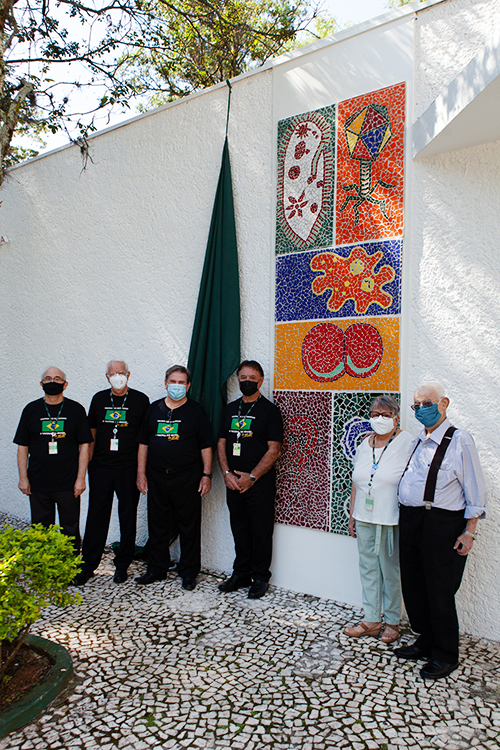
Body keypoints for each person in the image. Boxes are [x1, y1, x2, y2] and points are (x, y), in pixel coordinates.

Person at [395, 381, 487, 680]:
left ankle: (446, 653)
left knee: (439, 589)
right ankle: (426, 640)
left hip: (440, 523)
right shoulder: (418, 441)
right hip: (411, 520)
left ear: (443, 404)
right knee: (414, 584)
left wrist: (469, 531)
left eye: (427, 403)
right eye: (416, 405)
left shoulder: (460, 440)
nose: (421, 409)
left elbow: (475, 489)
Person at [135, 365, 213, 591]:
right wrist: (141, 473)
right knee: (157, 524)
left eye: (181, 383)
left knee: (189, 527)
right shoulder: (153, 410)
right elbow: (143, 443)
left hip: (188, 478)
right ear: (165, 382)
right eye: (173, 381)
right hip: (157, 478)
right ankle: (157, 568)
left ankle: (188, 573)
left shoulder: (196, 411)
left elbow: (206, 445)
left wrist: (206, 474)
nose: (176, 386)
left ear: (188, 386)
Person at [344, 395, 413, 644]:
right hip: (364, 516)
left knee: (390, 571)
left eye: (385, 414)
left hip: (390, 518)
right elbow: (356, 481)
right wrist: (353, 514)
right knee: (368, 568)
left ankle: (392, 622)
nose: (379, 419)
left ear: (396, 416)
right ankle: (371, 620)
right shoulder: (365, 443)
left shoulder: (407, 442)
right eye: (375, 414)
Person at [73, 360, 150, 586]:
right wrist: (85, 468)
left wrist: (140, 471)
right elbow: (92, 435)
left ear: (128, 374)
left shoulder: (140, 400)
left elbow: (144, 439)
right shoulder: (98, 399)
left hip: (128, 468)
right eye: (113, 373)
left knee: (127, 515)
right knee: (97, 515)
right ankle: (88, 565)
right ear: (107, 377)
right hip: (101, 468)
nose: (118, 376)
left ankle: (123, 564)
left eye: (121, 372)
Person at [218, 360, 283, 599]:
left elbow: (274, 450)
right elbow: (222, 442)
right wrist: (226, 474)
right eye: (243, 377)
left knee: (261, 532)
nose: (247, 381)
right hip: (232, 482)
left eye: (252, 378)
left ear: (261, 380)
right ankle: (241, 574)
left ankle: (261, 577)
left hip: (259, 484)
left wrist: (252, 477)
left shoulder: (270, 411)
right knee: (240, 530)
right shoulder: (230, 409)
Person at [14, 366, 93, 552]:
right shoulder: (31, 410)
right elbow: (22, 446)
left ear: (65, 385)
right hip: (38, 483)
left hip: (68, 483)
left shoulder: (76, 409)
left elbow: (85, 446)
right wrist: (23, 478)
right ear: (41, 384)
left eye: (57, 379)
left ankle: (70, 568)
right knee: (40, 530)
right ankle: (43, 570)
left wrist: (81, 478)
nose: (52, 382)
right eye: (48, 378)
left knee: (70, 529)